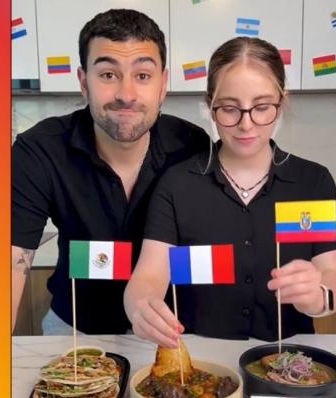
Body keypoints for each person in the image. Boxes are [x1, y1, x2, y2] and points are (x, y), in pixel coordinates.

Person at [124, 37, 336, 348]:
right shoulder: (177, 184)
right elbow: (148, 275)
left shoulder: (312, 182)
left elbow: (334, 275)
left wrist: (319, 296)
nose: (246, 124)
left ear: (281, 102)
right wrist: (139, 305)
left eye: (262, 107)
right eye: (229, 109)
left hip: (286, 358)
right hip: (198, 358)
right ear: (209, 105)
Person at [11, 9, 209, 334]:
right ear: (83, 82)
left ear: (162, 84)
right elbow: (11, 260)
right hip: (75, 329)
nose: (126, 95)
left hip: (168, 328)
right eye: (107, 74)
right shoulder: (39, 151)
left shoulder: (193, 146)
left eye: (142, 76)